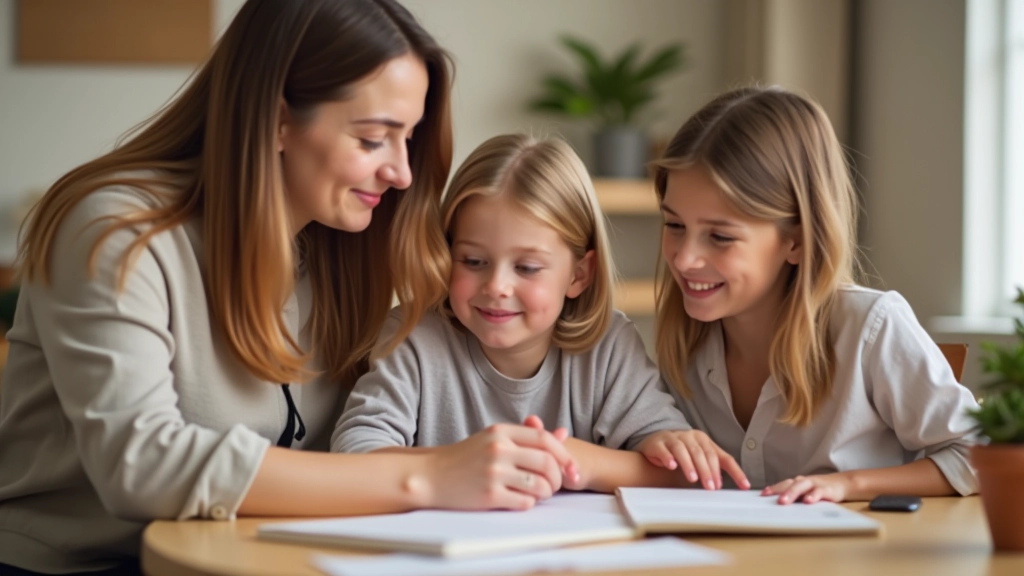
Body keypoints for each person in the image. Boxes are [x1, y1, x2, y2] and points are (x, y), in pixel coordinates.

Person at [0, 1, 576, 574]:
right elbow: (142, 465)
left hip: (267, 559)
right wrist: (428, 474)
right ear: (277, 119)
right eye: (375, 138)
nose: (401, 171)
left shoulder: (340, 248)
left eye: (409, 139)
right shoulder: (114, 232)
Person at [333, 133, 749, 497]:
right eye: (473, 261)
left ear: (579, 274)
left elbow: (683, 472)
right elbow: (354, 451)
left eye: (527, 268)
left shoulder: (608, 346)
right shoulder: (413, 337)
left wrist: (571, 459)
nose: (496, 286)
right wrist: (454, 470)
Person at [650, 86, 980, 505]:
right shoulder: (684, 346)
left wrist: (850, 485)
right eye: (674, 225)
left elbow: (979, 452)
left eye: (719, 236)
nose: (684, 258)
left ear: (797, 241)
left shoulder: (871, 326)